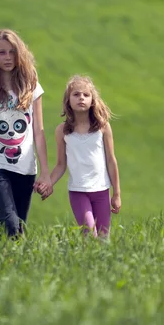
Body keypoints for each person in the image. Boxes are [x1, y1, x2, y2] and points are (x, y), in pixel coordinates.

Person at [0, 29, 52, 237]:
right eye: (2, 53)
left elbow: (39, 131)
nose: (7, 58)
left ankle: (11, 266)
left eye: (12, 52)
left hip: (26, 168)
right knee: (10, 222)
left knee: (17, 228)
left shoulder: (31, 87)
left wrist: (45, 173)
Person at [41, 75, 121, 237]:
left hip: (102, 191)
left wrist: (117, 194)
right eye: (76, 94)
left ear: (92, 100)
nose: (81, 98)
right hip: (78, 191)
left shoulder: (103, 127)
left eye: (86, 95)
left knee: (103, 238)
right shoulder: (62, 131)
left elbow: (111, 161)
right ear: (68, 100)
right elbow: (61, 164)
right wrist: (49, 183)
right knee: (90, 234)